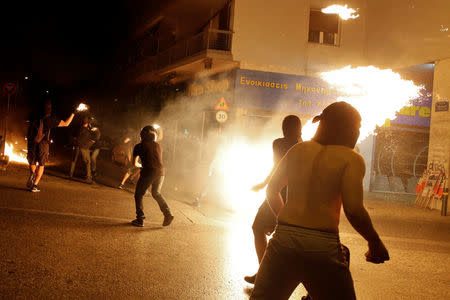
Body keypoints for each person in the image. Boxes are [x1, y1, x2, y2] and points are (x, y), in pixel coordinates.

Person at [250, 102, 390, 300]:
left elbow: (272, 190)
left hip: (283, 241)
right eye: (357, 128)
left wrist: (285, 222)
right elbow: (354, 210)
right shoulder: (351, 159)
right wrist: (374, 242)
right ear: (347, 128)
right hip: (322, 245)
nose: (358, 132)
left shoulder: (298, 150)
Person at [245, 115, 302, 284]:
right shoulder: (304, 147)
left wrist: (264, 184)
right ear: (299, 129)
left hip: (278, 193)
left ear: (284, 128)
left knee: (260, 229)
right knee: (287, 237)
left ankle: (265, 273)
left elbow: (276, 168)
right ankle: (267, 273)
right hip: (294, 196)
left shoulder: (279, 143)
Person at [26, 101, 75, 192]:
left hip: (32, 142)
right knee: (41, 164)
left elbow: (27, 122)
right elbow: (66, 123)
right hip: (43, 143)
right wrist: (73, 113)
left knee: (32, 160)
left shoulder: (34, 116)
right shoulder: (51, 119)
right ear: (49, 109)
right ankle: (35, 185)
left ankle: (32, 173)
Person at [131, 125, 174, 227]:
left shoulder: (139, 146)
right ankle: (167, 214)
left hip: (149, 172)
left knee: (138, 194)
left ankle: (140, 219)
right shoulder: (158, 146)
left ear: (142, 135)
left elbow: (134, 163)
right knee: (156, 193)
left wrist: (141, 165)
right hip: (161, 172)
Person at [69, 117, 96, 182]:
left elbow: (75, 136)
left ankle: (70, 174)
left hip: (77, 146)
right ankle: (88, 177)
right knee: (87, 162)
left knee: (73, 161)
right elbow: (88, 139)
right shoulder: (87, 130)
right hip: (83, 147)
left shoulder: (79, 129)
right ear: (87, 123)